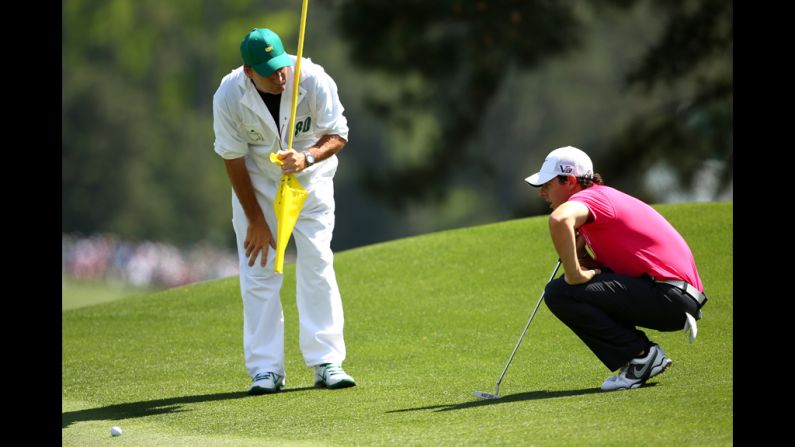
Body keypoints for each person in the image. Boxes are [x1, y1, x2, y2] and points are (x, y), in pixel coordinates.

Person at [212, 27, 356, 394]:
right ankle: (265, 369)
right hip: (257, 186)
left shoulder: (313, 77)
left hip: (311, 182)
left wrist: (307, 157)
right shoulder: (229, 94)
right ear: (249, 71)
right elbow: (232, 157)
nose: (279, 76)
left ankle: (326, 362)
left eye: (281, 66)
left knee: (317, 260)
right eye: (268, 71)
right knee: (258, 269)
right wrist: (256, 220)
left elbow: (338, 133)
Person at [524, 146, 707, 391]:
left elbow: (560, 220)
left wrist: (575, 274)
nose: (542, 193)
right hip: (674, 296)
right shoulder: (601, 200)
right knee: (568, 289)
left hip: (670, 295)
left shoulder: (590, 199)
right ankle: (641, 356)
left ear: (568, 180)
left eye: (547, 184)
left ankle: (641, 357)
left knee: (560, 292)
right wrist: (582, 256)